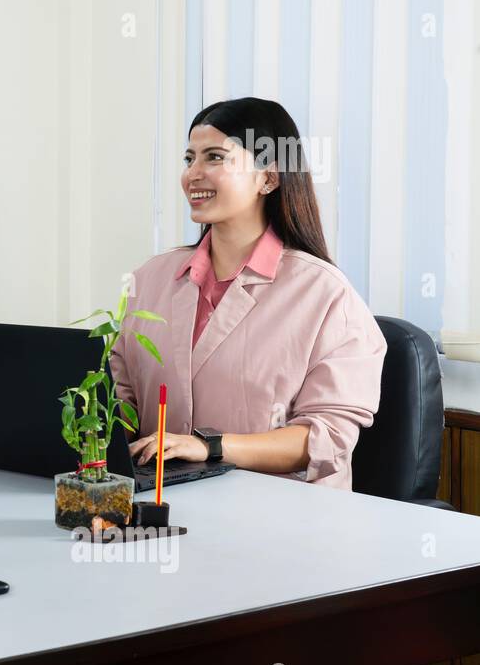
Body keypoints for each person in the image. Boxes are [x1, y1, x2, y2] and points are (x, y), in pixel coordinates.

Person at [110, 97, 387, 490]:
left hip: (282, 519)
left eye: (215, 157)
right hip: (164, 504)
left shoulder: (324, 294)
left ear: (268, 179)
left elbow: (325, 438)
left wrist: (210, 447)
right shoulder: (151, 279)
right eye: (189, 159)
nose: (193, 174)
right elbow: (120, 396)